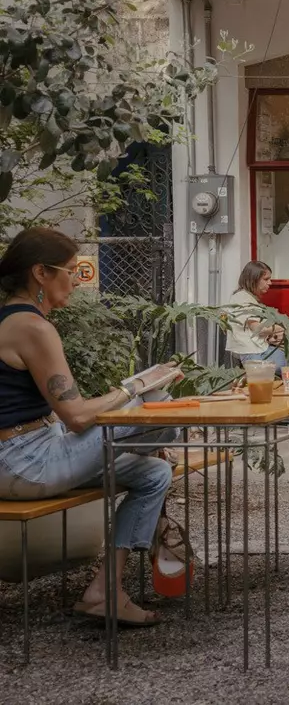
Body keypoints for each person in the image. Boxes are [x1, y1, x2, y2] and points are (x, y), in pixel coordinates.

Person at [0, 228, 181, 626]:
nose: (78, 281)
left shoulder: (16, 321)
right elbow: (78, 416)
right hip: (23, 462)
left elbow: (71, 412)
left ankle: (104, 592)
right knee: (163, 412)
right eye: (71, 270)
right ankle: (160, 521)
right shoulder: (32, 328)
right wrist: (137, 386)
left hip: (29, 453)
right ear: (40, 274)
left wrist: (139, 389)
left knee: (155, 472)